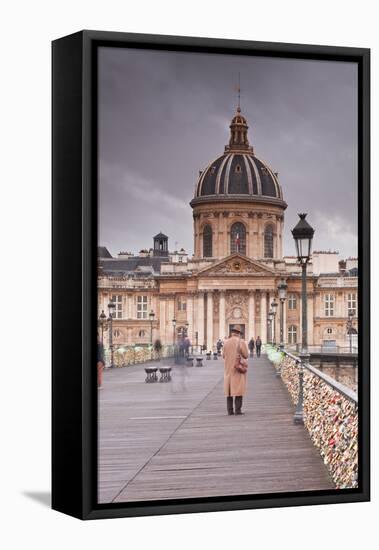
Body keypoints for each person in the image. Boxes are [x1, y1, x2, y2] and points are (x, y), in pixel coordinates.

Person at [222, 325, 249, 415]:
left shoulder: (225, 342)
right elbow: (246, 355)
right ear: (239, 333)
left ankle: (230, 410)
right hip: (237, 368)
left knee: (229, 391)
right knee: (238, 390)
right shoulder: (240, 342)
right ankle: (238, 410)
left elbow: (223, 355)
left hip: (228, 369)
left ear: (232, 333)